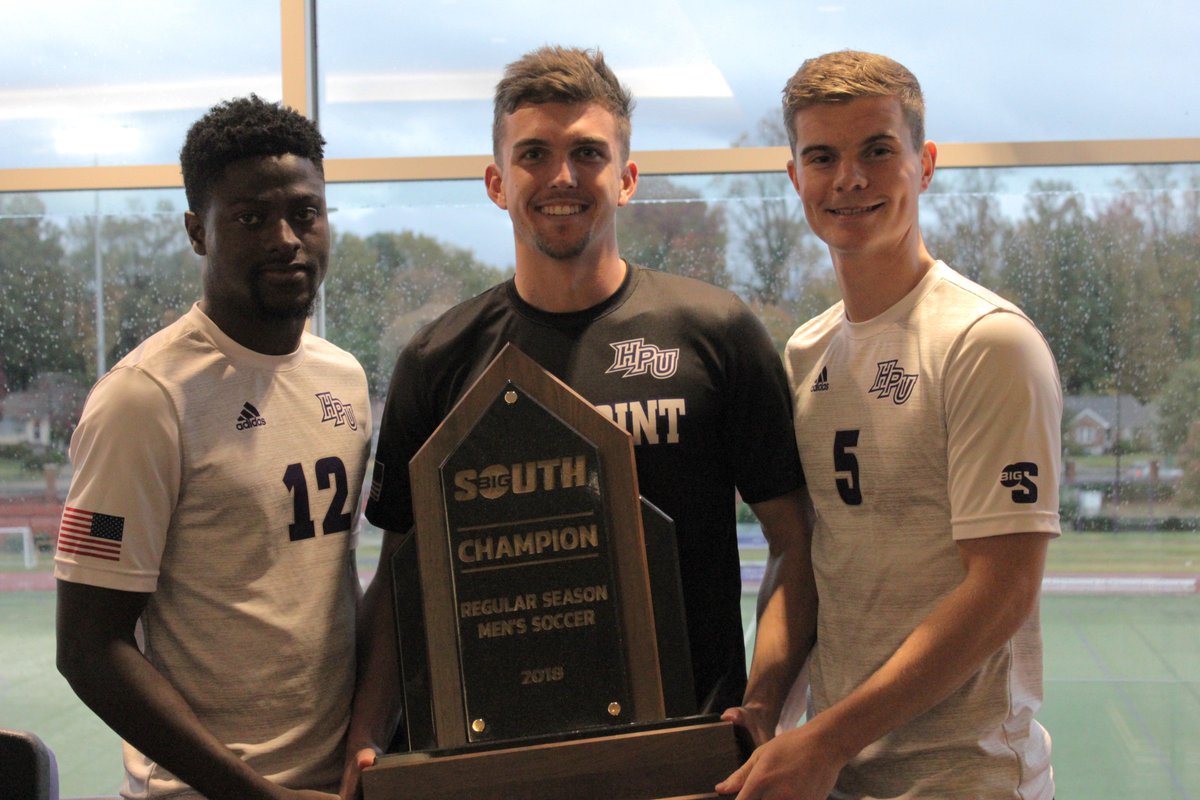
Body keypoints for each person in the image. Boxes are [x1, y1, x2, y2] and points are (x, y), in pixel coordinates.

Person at [343, 45, 809, 794]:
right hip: (498, 771)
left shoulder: (715, 334)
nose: (561, 176)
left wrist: (761, 703)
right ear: (498, 183)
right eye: (535, 154)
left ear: (626, 179)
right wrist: (365, 732)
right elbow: (404, 578)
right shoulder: (437, 361)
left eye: (587, 153)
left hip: (684, 766)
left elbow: (794, 543)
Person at [718, 50, 1061, 799]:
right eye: (823, 157)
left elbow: (1004, 590)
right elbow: (807, 556)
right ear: (795, 178)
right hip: (842, 775)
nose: (849, 179)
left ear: (924, 163)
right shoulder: (807, 351)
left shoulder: (986, 341)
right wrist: (769, 711)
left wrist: (826, 740)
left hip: (965, 778)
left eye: (877, 150)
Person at [55, 95, 372, 800]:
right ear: (199, 232)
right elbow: (87, 649)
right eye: (251, 218)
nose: (286, 238)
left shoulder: (343, 378)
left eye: (305, 214)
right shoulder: (143, 399)